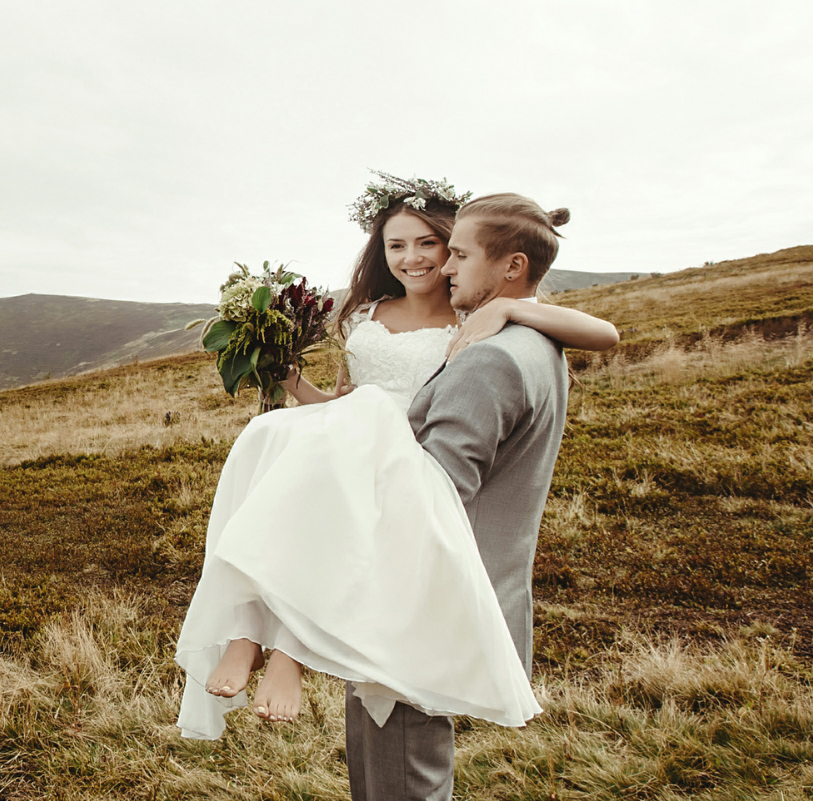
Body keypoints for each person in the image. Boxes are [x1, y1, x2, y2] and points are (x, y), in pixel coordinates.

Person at [173, 176, 612, 760]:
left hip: (408, 460)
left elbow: (604, 333)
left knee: (319, 471)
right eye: (395, 246)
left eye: (433, 245)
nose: (415, 259)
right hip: (361, 440)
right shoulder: (367, 317)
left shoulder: (476, 318)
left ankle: (289, 652)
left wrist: (506, 304)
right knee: (272, 440)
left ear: (455, 247)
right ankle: (250, 633)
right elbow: (346, 407)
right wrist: (286, 379)